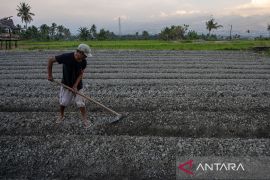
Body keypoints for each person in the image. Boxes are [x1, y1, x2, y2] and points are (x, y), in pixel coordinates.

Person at [47, 44, 92, 128]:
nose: (86, 57)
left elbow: (81, 74)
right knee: (64, 102)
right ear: (79, 52)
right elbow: (50, 60)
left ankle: (85, 119)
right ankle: (61, 115)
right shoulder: (66, 57)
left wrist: (75, 86)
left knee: (81, 103)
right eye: (85, 55)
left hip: (78, 85)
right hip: (66, 84)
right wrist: (50, 75)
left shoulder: (83, 62)